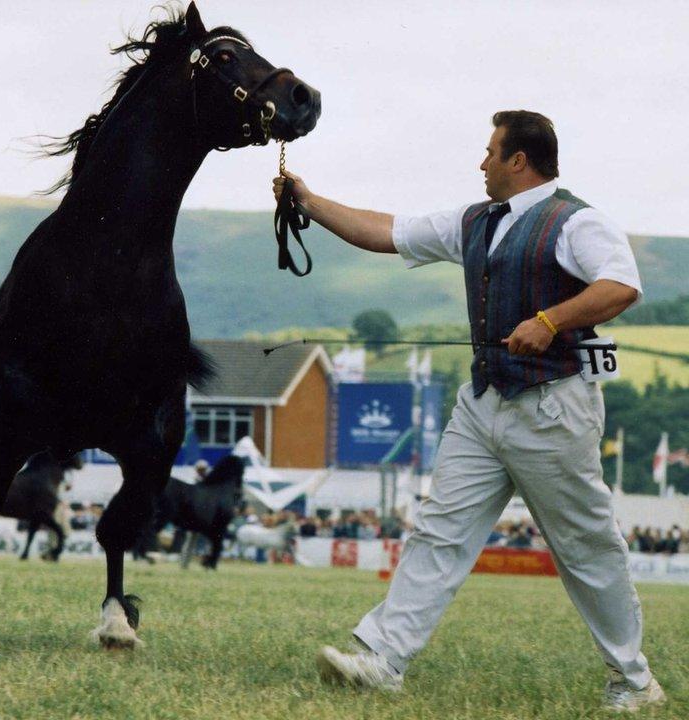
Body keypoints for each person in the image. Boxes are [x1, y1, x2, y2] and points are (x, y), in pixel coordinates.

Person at [275, 110, 665, 712]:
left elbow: (621, 286)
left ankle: (634, 680)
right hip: (483, 403)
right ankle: (383, 658)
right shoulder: (473, 222)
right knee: (440, 528)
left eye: (490, 152)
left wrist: (549, 320)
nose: (480, 163)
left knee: (585, 548)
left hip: (554, 406)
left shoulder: (577, 221)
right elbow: (384, 231)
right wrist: (308, 200)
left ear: (518, 160)